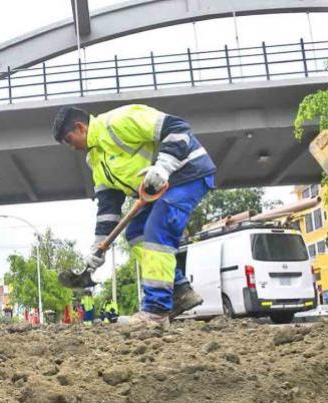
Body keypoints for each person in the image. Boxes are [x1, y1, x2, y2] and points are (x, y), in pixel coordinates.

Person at [52, 104, 216, 330]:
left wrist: (163, 167)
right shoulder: (96, 160)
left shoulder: (118, 121)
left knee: (157, 231)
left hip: (186, 173)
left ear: (80, 127)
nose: (72, 148)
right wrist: (98, 247)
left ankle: (155, 311)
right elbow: (108, 206)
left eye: (70, 140)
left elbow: (177, 128)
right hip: (156, 191)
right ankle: (180, 291)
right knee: (136, 233)